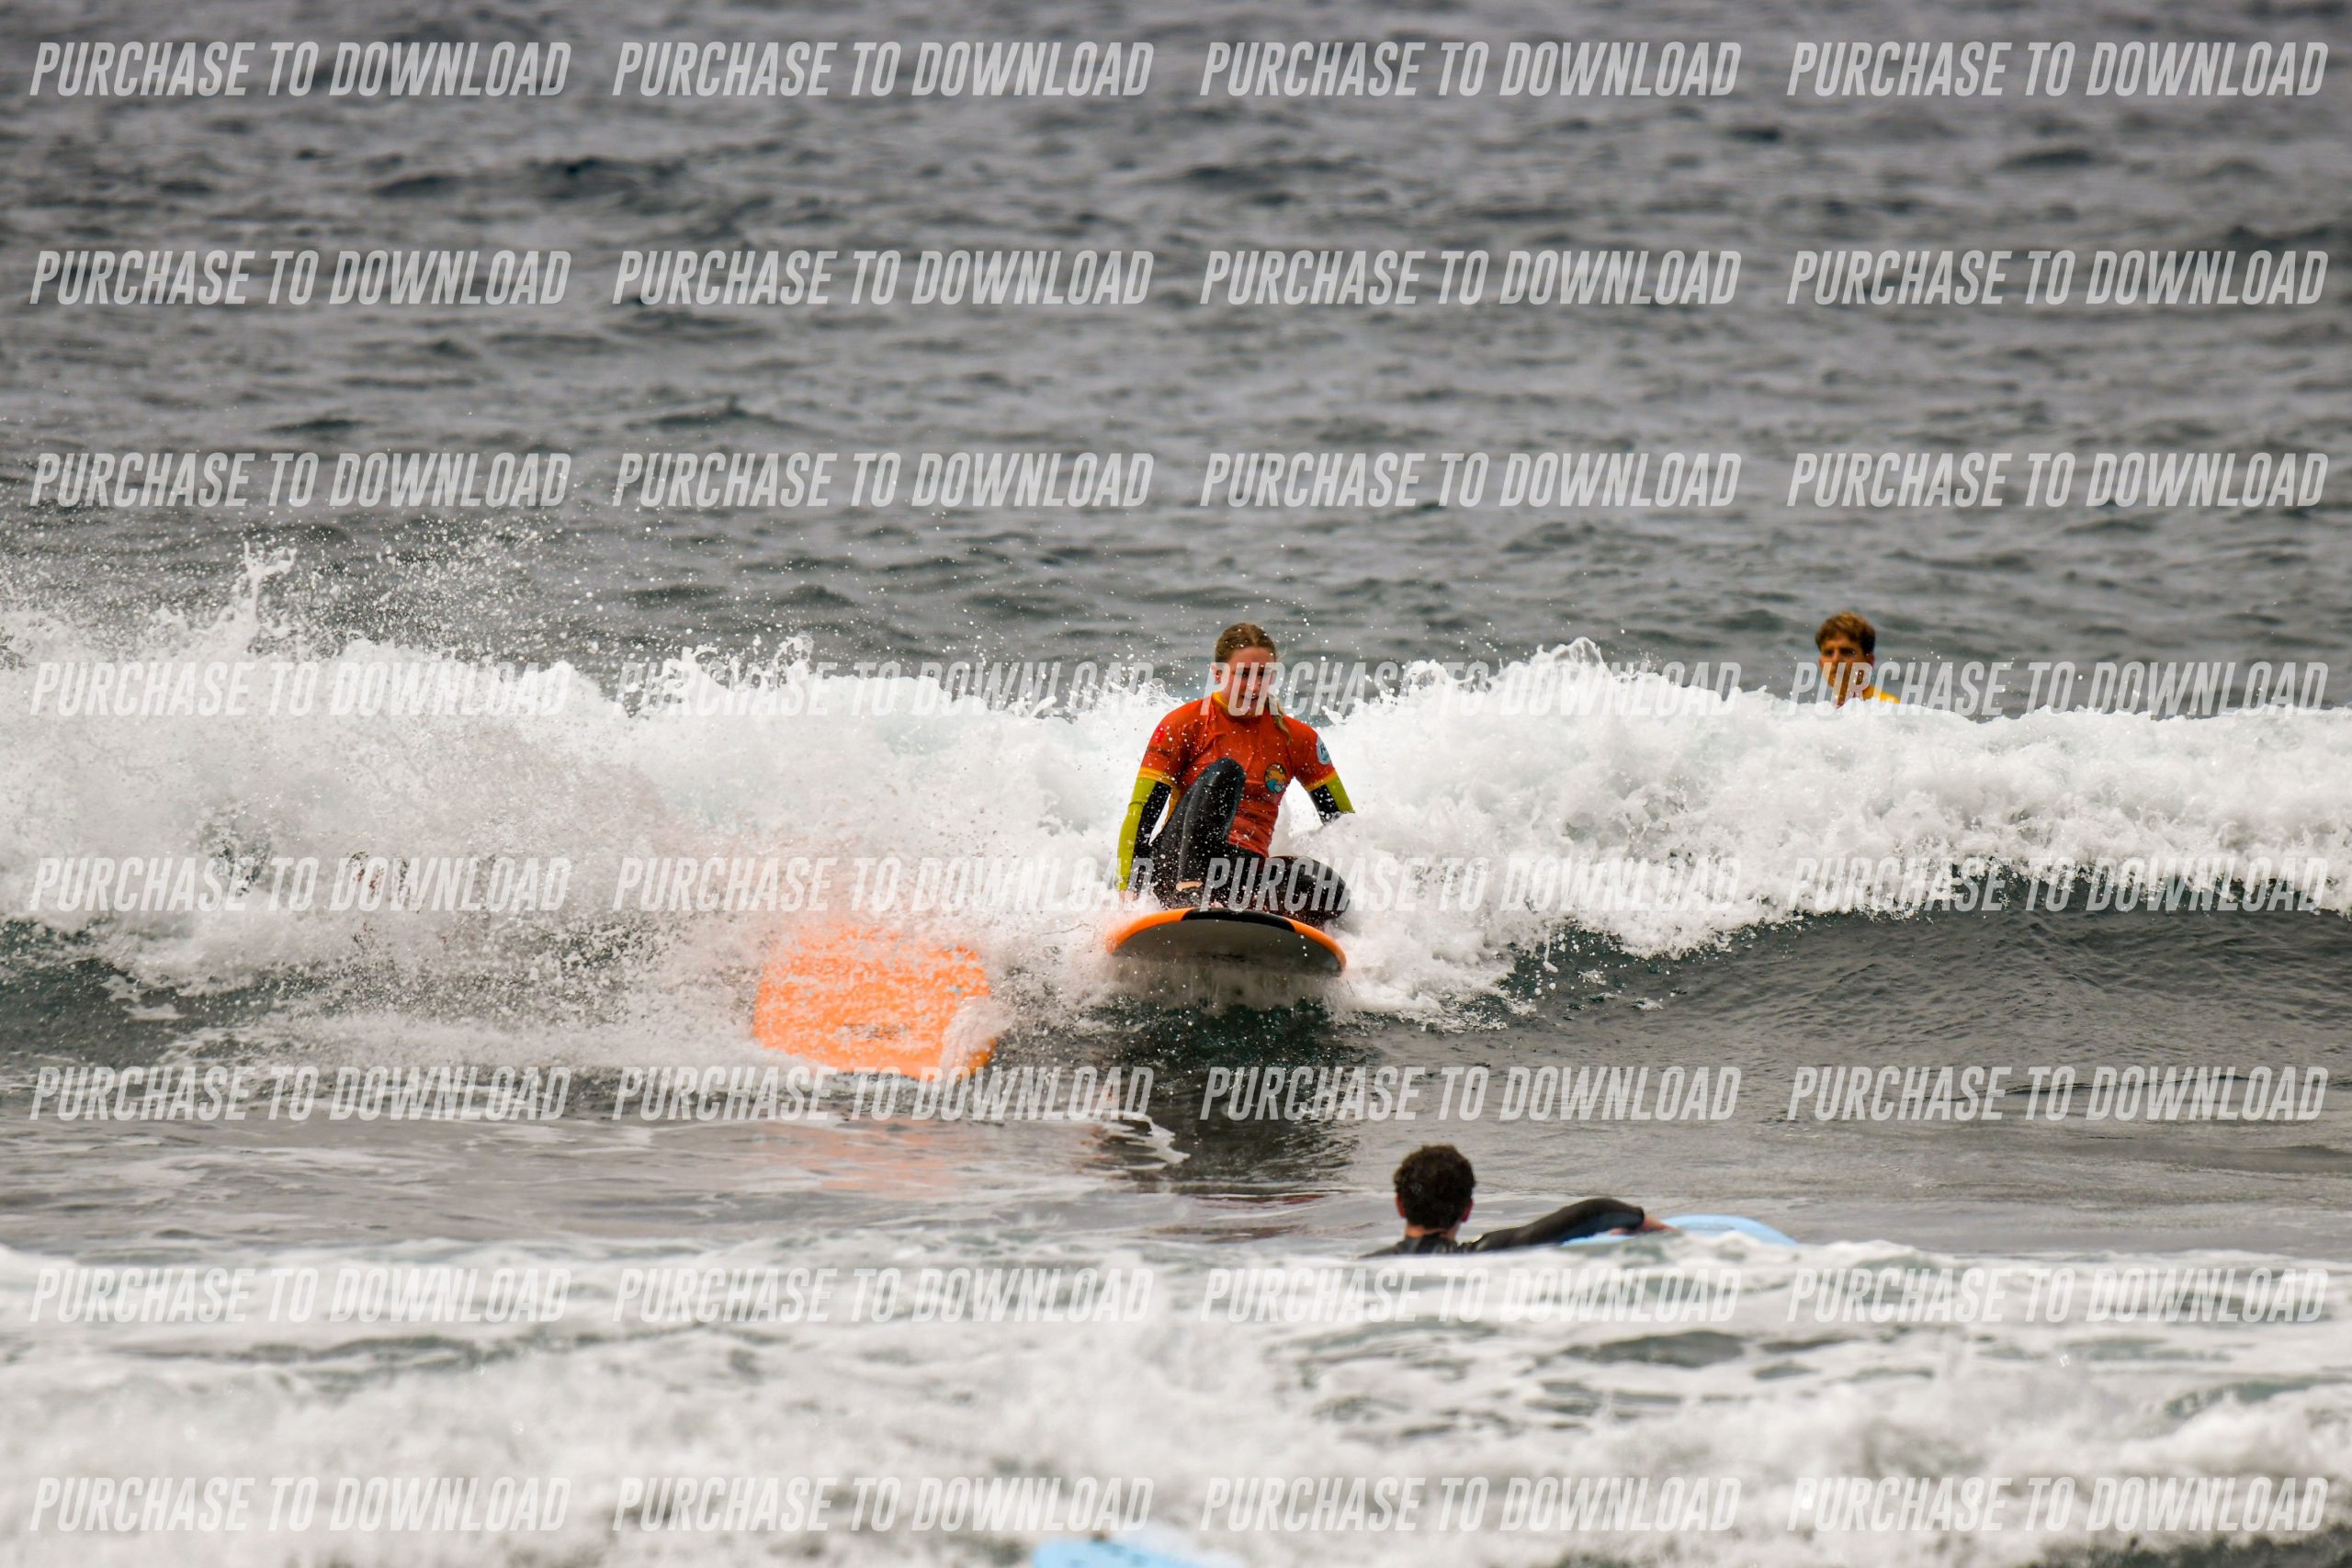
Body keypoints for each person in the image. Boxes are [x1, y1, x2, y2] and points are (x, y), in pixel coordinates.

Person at [1117, 622, 1354, 925]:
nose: (1254, 687)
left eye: (1263, 675)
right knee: (1227, 773)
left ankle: (1268, 924)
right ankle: (1190, 893)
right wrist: (1128, 891)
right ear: (1218, 674)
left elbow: (1343, 821)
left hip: (1241, 875)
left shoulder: (1298, 738)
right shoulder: (1185, 724)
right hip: (1174, 867)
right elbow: (1142, 812)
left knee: (1328, 889)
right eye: (1243, 675)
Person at [1368, 1144, 1662, 1256]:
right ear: (1467, 1210)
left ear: (1399, 1205)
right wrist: (1640, 1220)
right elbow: (1593, 1212)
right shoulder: (1485, 1254)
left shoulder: (1365, 1267)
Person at [1815, 611, 1898, 705]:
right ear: (1821, 663)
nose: (1835, 659)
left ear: (1869, 661)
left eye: (1846, 652)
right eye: (1829, 652)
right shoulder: (1827, 709)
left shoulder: (1887, 706)